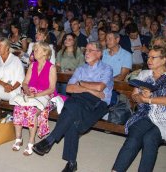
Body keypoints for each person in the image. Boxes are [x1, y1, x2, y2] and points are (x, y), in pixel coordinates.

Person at [33, 41, 113, 172]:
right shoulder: (81, 69)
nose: (86, 53)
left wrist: (81, 84)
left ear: (99, 54)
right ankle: (71, 163)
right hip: (79, 100)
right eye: (86, 50)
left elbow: (100, 88)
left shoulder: (106, 69)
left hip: (98, 104)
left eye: (90, 50)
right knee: (73, 115)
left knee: (71, 108)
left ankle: (51, 141)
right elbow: (69, 88)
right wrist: (88, 89)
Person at [112, 46, 166, 172]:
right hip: (146, 113)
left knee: (150, 138)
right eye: (148, 57)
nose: (149, 60)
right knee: (134, 136)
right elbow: (134, 95)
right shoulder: (143, 74)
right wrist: (140, 96)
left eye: (153, 57)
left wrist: (148, 99)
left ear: (164, 60)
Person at [12, 42, 57, 156]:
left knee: (32, 111)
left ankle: (31, 142)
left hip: (45, 95)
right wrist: (27, 92)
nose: (33, 52)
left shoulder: (51, 67)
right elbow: (25, 83)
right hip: (30, 93)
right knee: (18, 108)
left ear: (45, 53)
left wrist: (36, 95)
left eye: (36, 50)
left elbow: (51, 89)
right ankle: (18, 138)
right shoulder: (32, 65)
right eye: (34, 50)